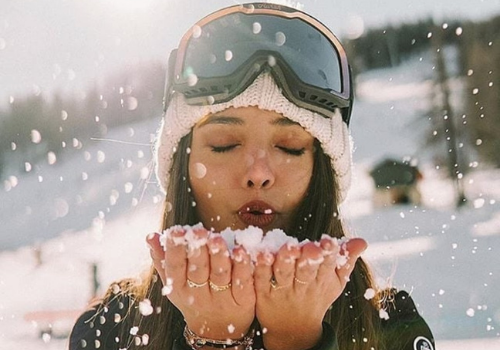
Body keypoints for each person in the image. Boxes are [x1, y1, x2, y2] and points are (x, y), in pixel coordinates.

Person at [69, 2, 435, 350]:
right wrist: (214, 340)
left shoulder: (390, 324)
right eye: (225, 144)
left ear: (322, 174)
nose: (257, 173)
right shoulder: (111, 327)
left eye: (290, 145)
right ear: (183, 169)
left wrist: (298, 339)